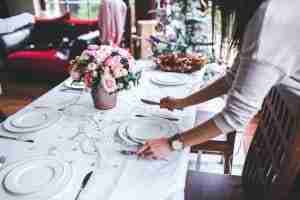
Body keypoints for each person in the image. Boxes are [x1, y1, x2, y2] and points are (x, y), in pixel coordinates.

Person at [137, 0, 300, 159]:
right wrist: (182, 103)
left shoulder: (272, 18)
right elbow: (231, 79)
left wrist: (172, 144)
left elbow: (236, 116)